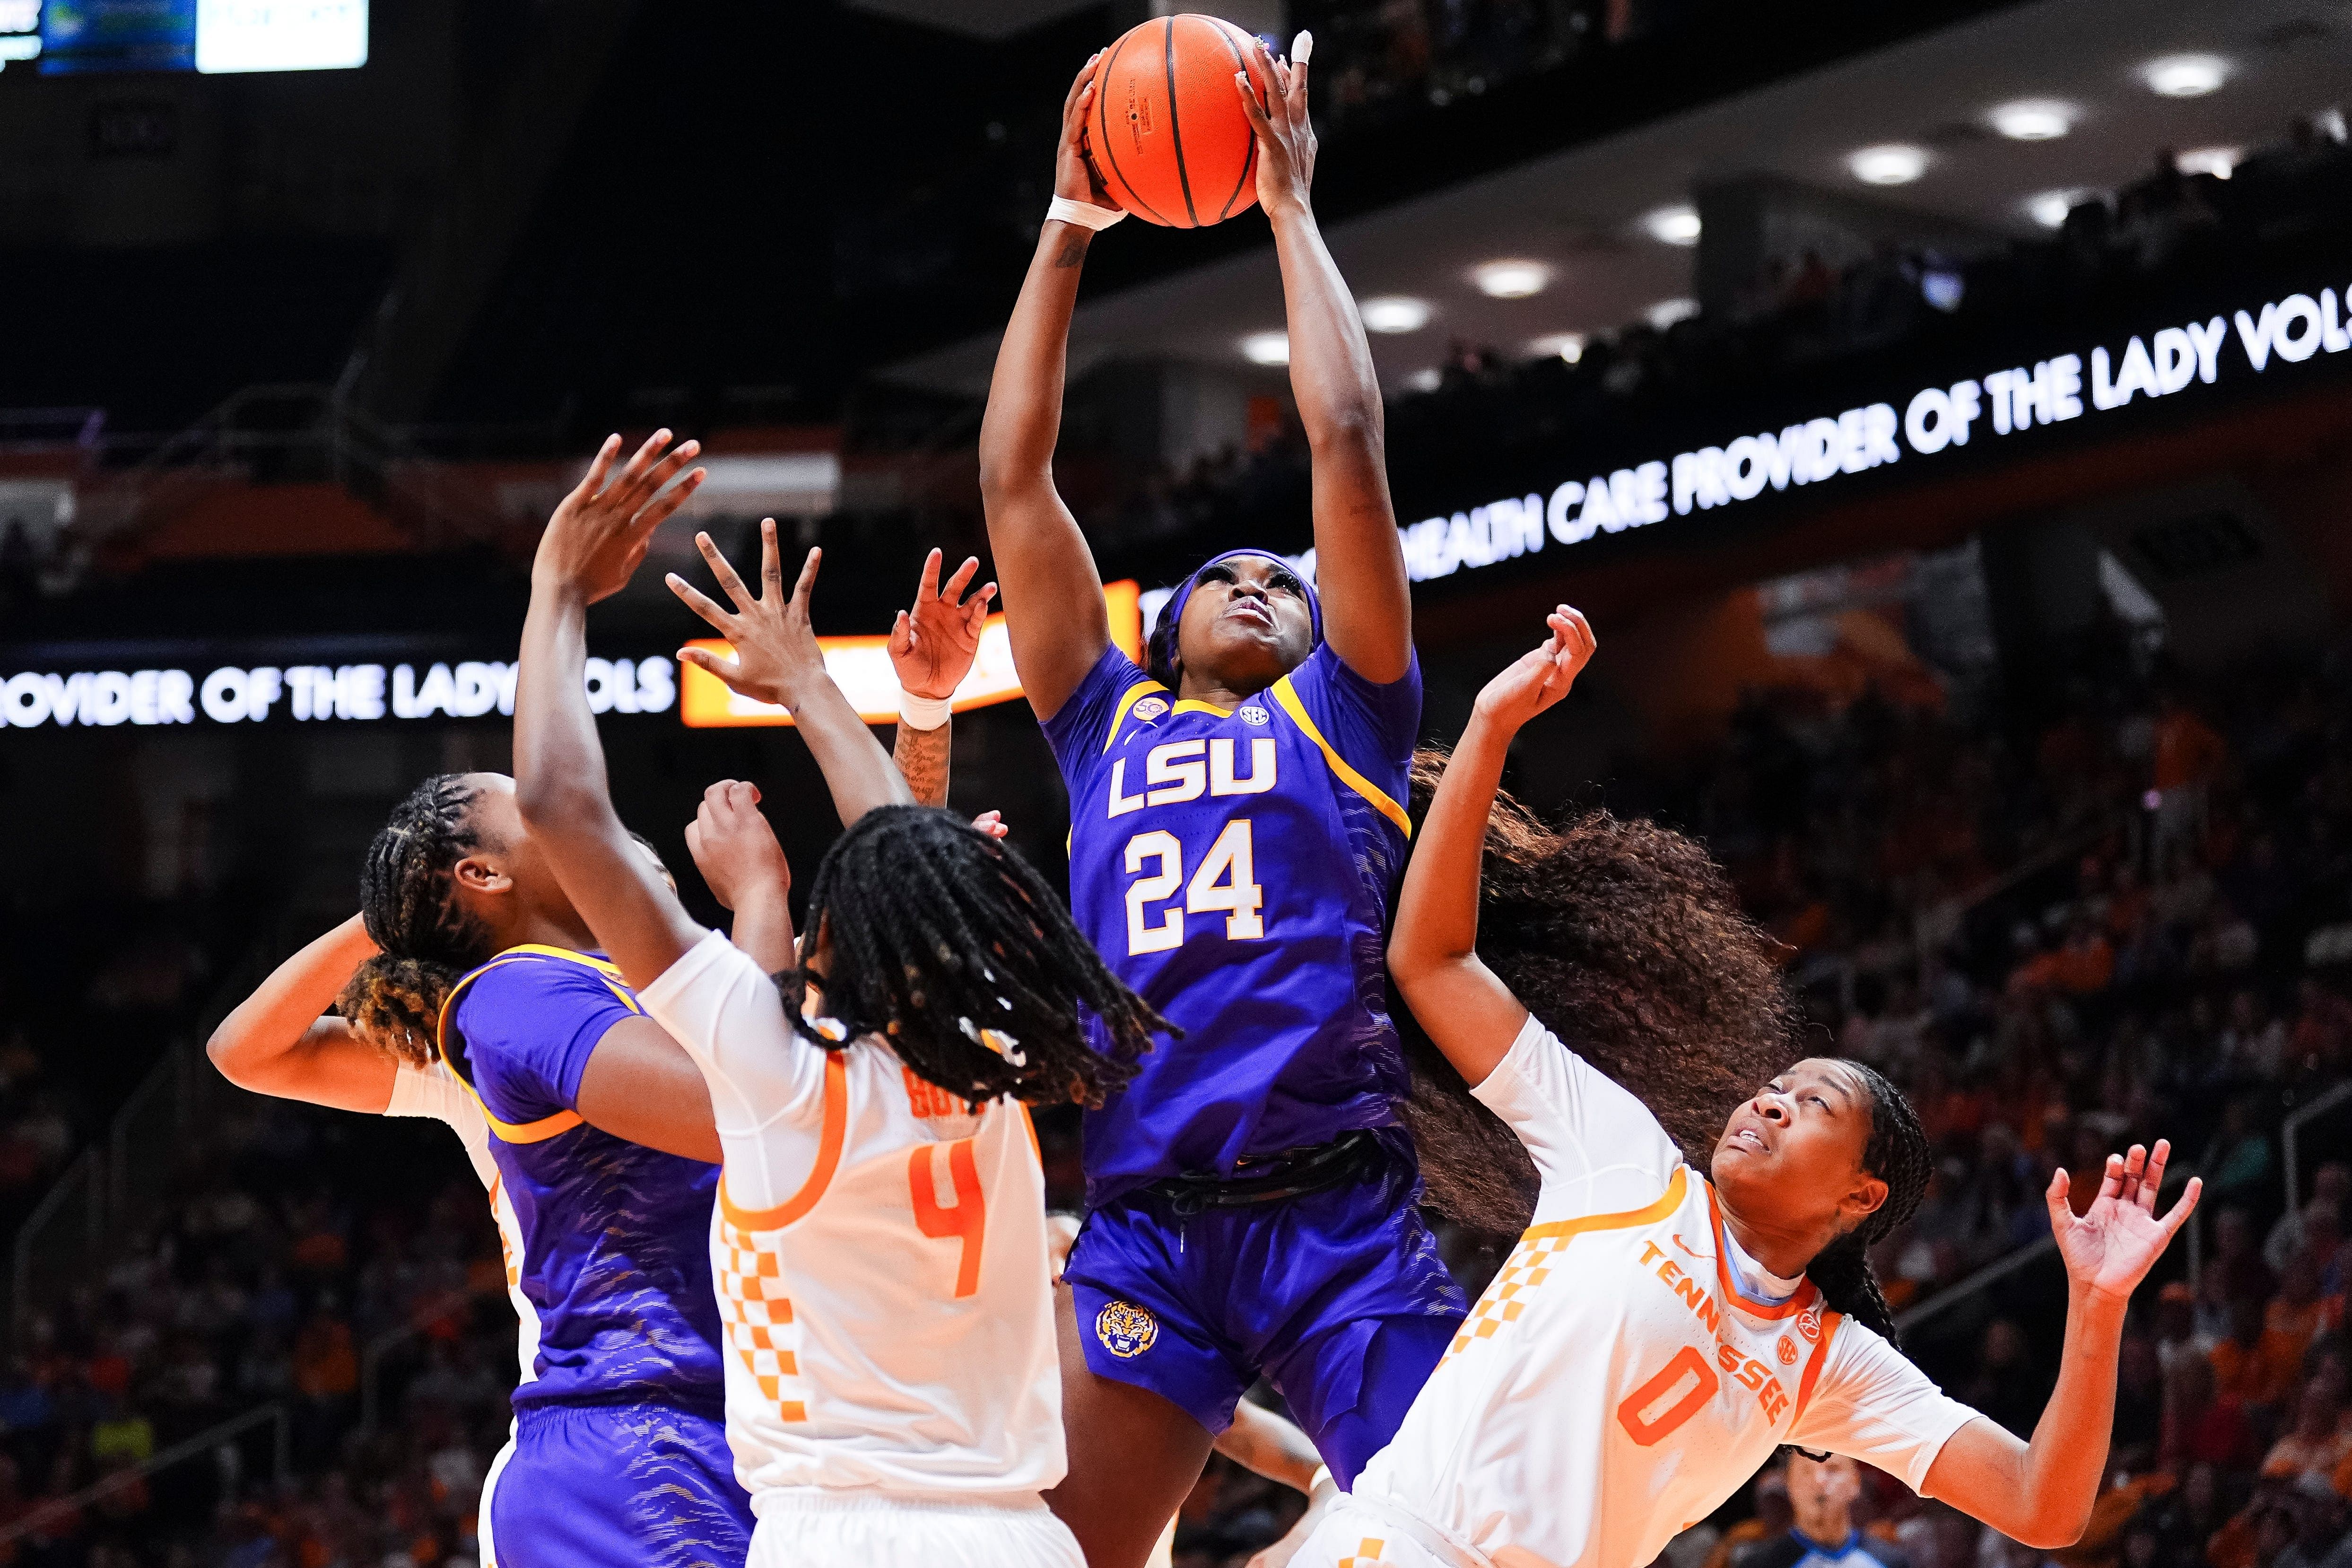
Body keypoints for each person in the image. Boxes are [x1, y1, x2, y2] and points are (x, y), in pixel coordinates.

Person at [1291, 607, 2202, 1568]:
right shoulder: (1622, 1155)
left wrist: (2097, 1307)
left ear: (1861, 1196)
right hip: (1398, 1542)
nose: (1770, 1100)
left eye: (1812, 1104)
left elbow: (2043, 1506)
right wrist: (1488, 726)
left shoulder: (1825, 1364)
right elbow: (1431, 962)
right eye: (1777, 1085)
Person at [513, 430, 1168, 1568]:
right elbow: (911, 867)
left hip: (843, 1531)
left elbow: (560, 802)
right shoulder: (991, 1038)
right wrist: (837, 694)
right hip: (1021, 1537)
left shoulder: (778, 1073)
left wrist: (557, 588)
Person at [976, 35, 1455, 1564]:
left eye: (1283, 581)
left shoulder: (1350, 715)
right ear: (1160, 627)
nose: (1258, 580)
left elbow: (1347, 442)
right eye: (1222, 577)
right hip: (1151, 1223)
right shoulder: (1098, 722)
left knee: (1461, 1537)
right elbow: (1012, 480)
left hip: (1336, 1215)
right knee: (1052, 1551)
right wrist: (1068, 222)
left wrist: (1288, 207)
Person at [1735, 1454, 1907, 1568]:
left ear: (1855, 1482)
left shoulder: (1890, 1560)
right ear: (1789, 1485)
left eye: (1832, 1469)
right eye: (1806, 1471)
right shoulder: (1760, 1564)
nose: (1819, 1481)